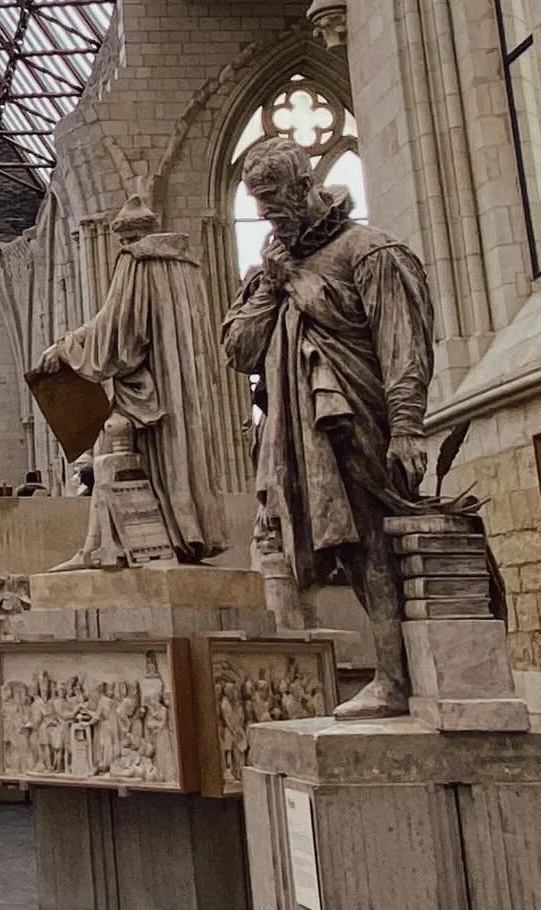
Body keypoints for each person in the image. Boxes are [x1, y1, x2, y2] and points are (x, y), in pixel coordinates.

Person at [222, 136, 435, 717]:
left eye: (271, 197)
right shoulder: (271, 270)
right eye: (255, 200)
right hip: (300, 430)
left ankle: (397, 679)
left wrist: (408, 426)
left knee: (375, 537)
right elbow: (240, 350)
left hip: (358, 415)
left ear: (303, 186)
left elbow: (402, 347)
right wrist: (273, 284)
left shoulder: (369, 251)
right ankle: (395, 677)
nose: (264, 212)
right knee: (349, 547)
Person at [39, 195, 227, 565]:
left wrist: (65, 348)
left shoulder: (136, 261)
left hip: (149, 393)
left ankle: (107, 548)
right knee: (168, 457)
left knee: (111, 453)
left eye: (124, 240)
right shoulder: (187, 266)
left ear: (130, 238)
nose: (122, 247)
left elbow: (119, 332)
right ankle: (179, 535)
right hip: (182, 388)